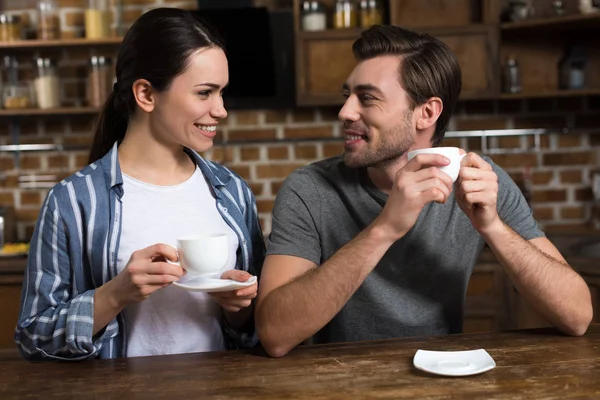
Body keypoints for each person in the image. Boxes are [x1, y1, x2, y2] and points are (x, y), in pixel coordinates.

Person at [255, 25, 593, 357]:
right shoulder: (309, 189)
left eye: (367, 98)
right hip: (337, 383)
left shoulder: (479, 180)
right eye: (348, 96)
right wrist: (385, 228)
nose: (345, 112)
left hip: (443, 379)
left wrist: (493, 227)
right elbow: (275, 334)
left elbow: (577, 317)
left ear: (426, 113)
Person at [15, 8, 264, 361]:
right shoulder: (73, 201)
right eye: (205, 93)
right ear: (146, 94)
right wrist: (115, 294)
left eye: (221, 93)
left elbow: (259, 330)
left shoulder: (232, 192)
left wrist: (238, 308)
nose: (221, 110)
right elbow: (32, 337)